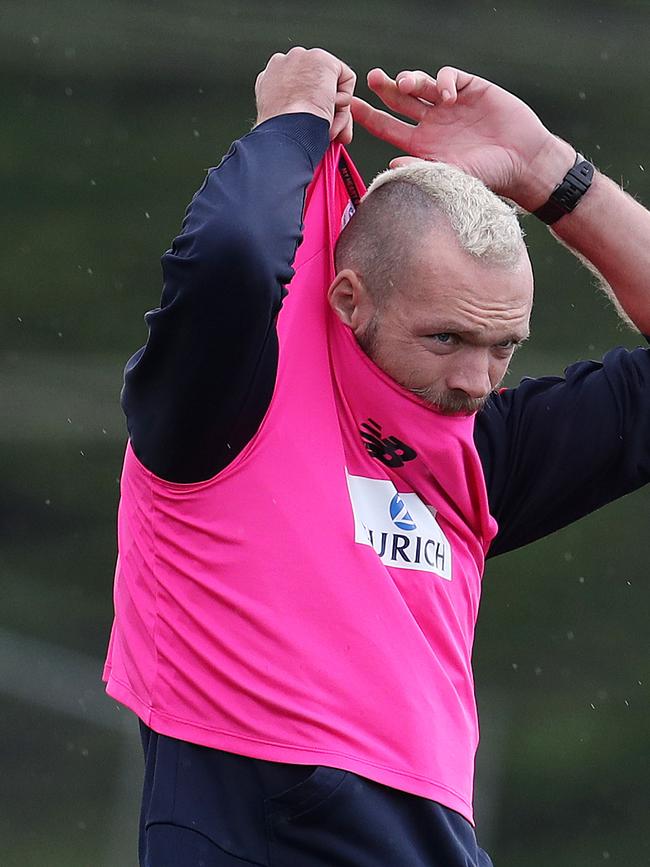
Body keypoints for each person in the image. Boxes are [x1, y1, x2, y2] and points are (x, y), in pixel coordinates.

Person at [103, 48, 650, 866]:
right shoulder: (222, 404)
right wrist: (287, 124)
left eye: (504, 347)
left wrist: (547, 173)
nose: (475, 380)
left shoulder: (474, 452)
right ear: (348, 298)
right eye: (447, 337)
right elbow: (236, 252)